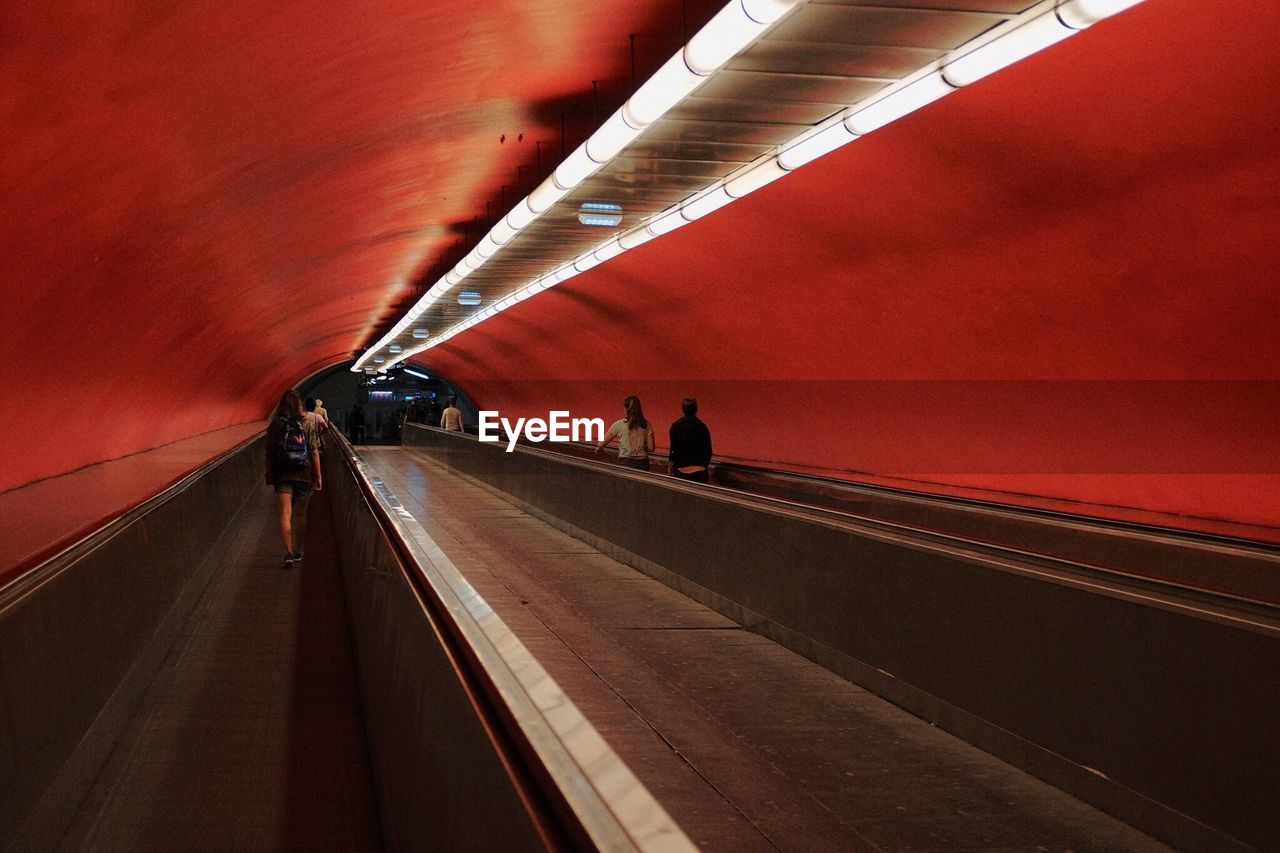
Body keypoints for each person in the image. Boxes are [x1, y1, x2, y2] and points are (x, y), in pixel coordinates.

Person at [265, 390, 323, 568]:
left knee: (285, 514)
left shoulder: (275, 425)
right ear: (299, 405)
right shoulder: (306, 423)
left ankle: (288, 552)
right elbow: (314, 451)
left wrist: (270, 474)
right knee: (300, 514)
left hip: (283, 474)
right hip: (303, 473)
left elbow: (269, 453)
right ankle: (298, 551)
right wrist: (318, 476)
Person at [596, 395, 655, 471]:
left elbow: (601, 444)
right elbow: (651, 448)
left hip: (625, 462)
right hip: (643, 463)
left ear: (625, 408)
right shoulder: (647, 424)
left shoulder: (618, 424)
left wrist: (600, 449)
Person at [668, 397, 713, 484]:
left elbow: (673, 449)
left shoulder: (676, 426)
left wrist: (670, 467)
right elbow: (708, 450)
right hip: (700, 470)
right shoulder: (702, 427)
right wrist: (704, 465)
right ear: (696, 410)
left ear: (682, 410)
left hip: (681, 469)